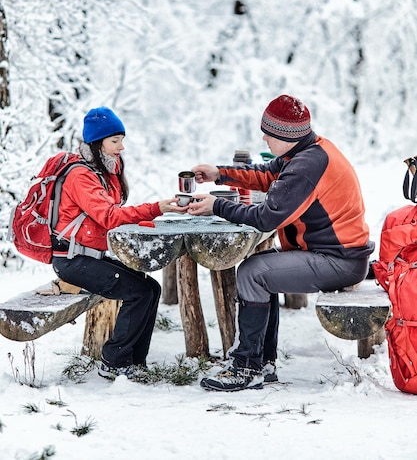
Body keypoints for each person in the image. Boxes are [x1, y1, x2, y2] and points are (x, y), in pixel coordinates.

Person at [187, 94, 374, 392]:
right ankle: (261, 361)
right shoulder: (307, 151)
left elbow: (266, 218)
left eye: (270, 134)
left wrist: (216, 206)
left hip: (340, 261)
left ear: (288, 136)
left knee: (253, 272)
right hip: (333, 254)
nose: (264, 138)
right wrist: (220, 174)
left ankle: (247, 367)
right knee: (260, 272)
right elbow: (266, 175)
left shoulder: (308, 164)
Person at [52, 106, 187, 381]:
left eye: (122, 140)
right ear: (97, 142)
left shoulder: (104, 171)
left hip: (91, 256)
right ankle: (113, 361)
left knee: (151, 287)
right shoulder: (81, 176)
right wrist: (157, 208)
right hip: (72, 261)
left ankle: (135, 361)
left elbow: (109, 216)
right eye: (115, 141)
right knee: (138, 292)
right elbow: (109, 216)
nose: (121, 147)